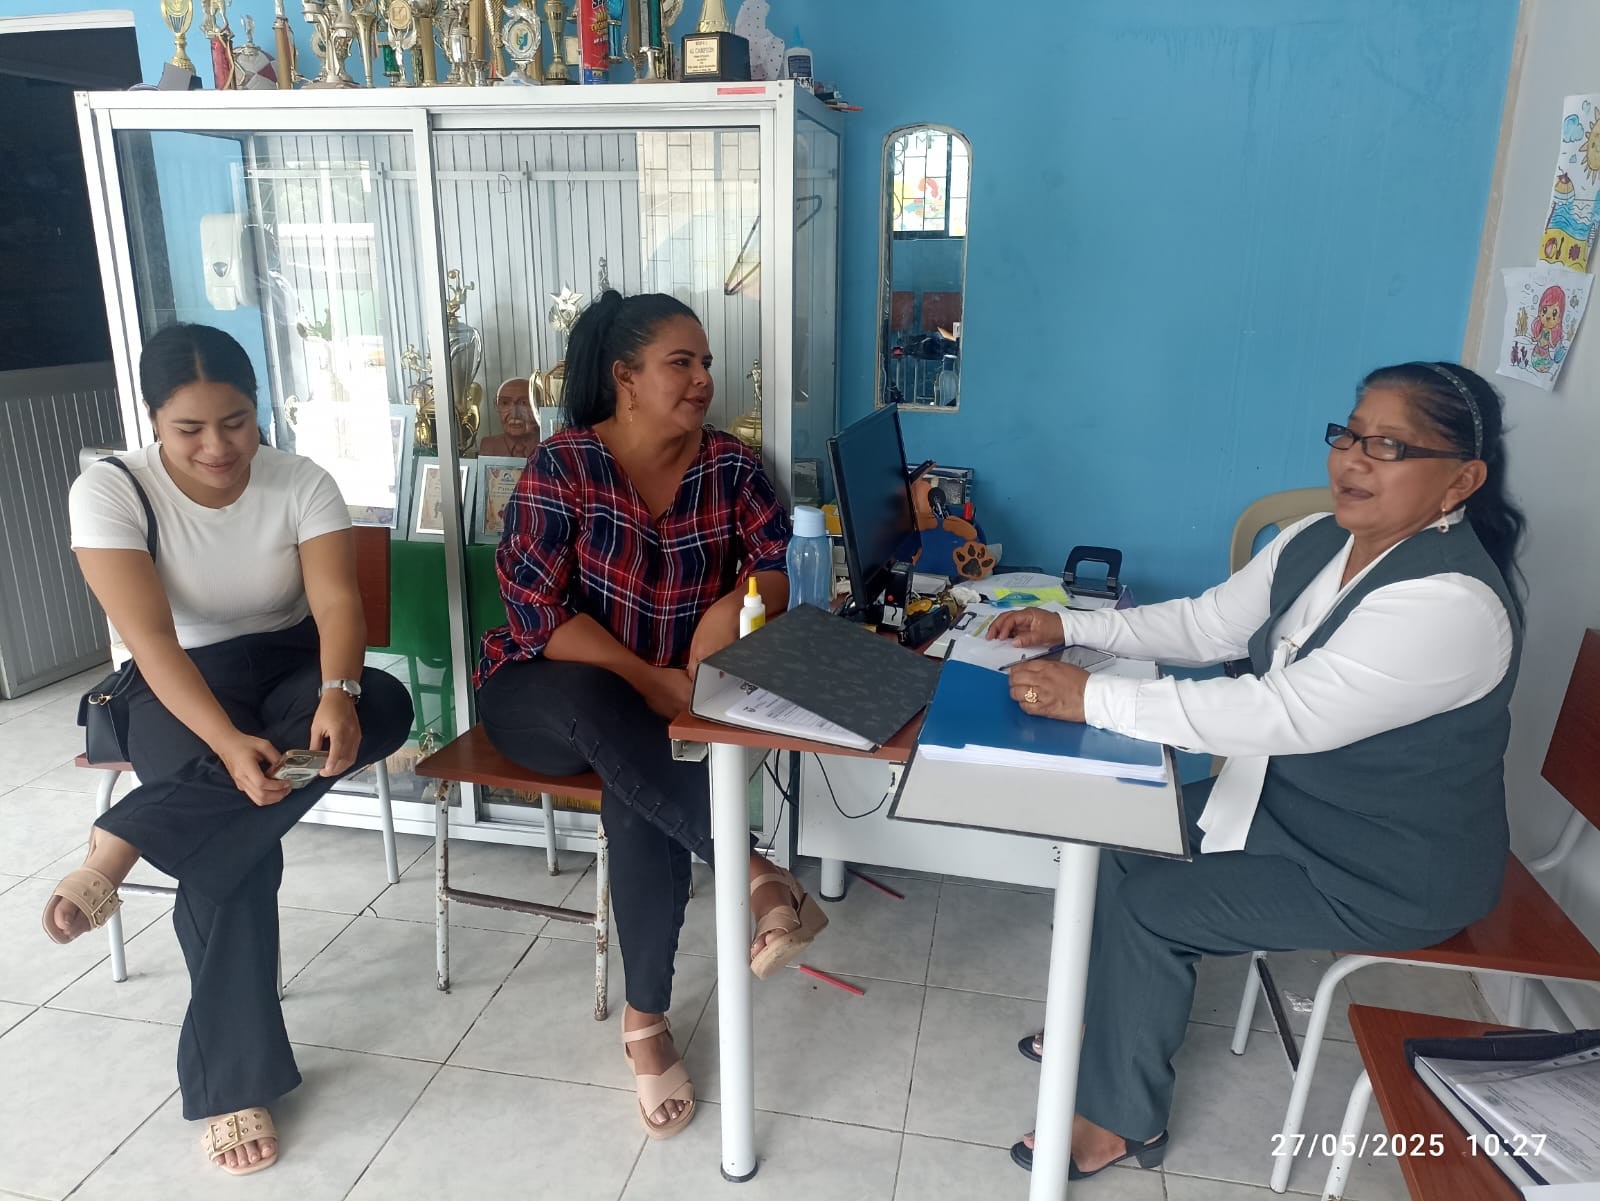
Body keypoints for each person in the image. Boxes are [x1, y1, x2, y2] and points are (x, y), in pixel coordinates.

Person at [989, 361, 1524, 1180]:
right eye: (1349, 435)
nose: (1352, 460)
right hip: (1287, 806)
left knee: (1153, 908)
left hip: (1384, 868)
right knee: (1121, 836)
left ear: (1462, 480)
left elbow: (1281, 711)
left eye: (1389, 446)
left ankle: (1120, 1118)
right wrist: (1069, 627)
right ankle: (1105, 1026)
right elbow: (1208, 626)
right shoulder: (1319, 538)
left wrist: (1091, 698)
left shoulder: (1450, 604)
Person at [46, 324, 414, 1176]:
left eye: (236, 422)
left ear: (260, 410)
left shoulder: (301, 480)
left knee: (385, 704)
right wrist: (225, 741)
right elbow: (150, 639)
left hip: (289, 670)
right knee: (242, 841)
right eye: (190, 429)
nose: (218, 446)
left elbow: (337, 604)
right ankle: (231, 1086)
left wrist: (339, 690)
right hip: (173, 681)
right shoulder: (110, 491)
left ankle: (128, 836)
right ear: (153, 419)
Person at [475, 290, 827, 1140]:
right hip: (541, 695)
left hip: (662, 713)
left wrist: (735, 604)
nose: (703, 378)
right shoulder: (564, 466)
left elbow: (779, 560)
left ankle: (646, 1021)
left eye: (705, 362)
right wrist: (650, 678)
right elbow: (536, 617)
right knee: (604, 708)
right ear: (625, 377)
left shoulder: (731, 466)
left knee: (638, 786)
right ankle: (755, 871)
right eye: (682, 362)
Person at [478, 375, 540, 458]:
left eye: (524, 403)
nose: (515, 415)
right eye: (505, 403)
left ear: (540, 407)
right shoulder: (489, 445)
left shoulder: (549, 447)